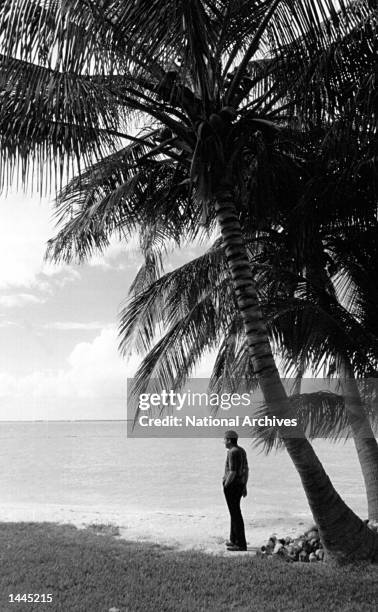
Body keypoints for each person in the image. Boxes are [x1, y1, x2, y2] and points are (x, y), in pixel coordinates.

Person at [222, 430, 248, 551]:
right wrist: (244, 486)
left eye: (224, 439)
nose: (223, 442)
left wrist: (226, 484)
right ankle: (234, 539)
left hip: (232, 486)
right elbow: (246, 470)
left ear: (229, 440)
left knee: (236, 514)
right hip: (239, 485)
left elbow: (232, 472)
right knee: (234, 512)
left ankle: (241, 544)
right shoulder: (241, 450)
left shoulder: (232, 452)